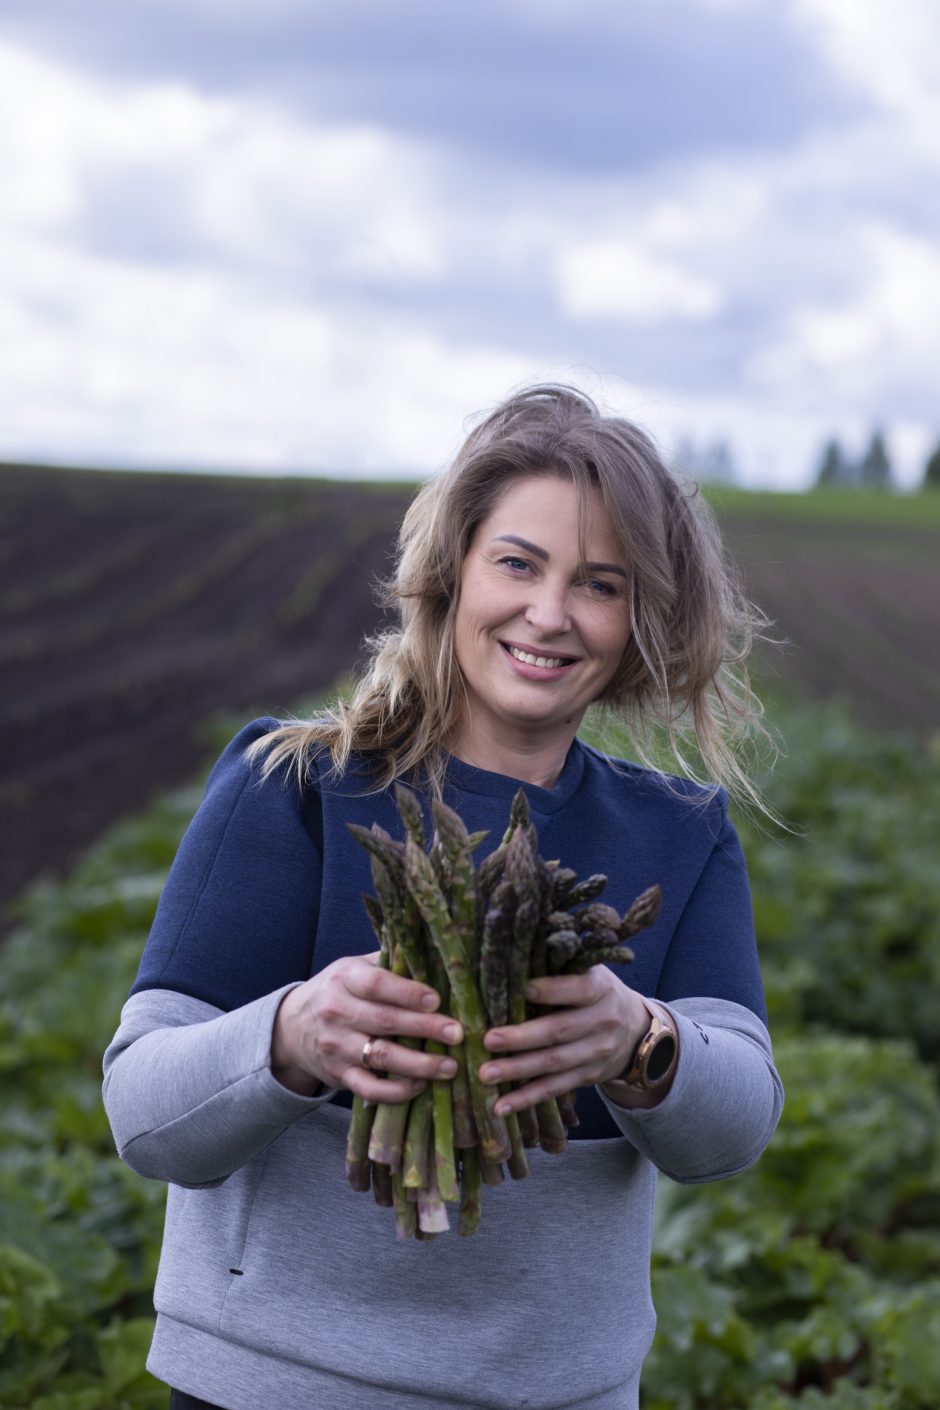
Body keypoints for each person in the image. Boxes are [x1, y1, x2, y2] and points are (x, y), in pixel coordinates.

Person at [103, 384, 783, 1410]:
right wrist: (292, 1034)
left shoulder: (677, 834)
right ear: (453, 568)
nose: (548, 614)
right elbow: (145, 1116)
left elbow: (732, 1134)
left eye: (600, 584)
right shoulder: (293, 787)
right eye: (517, 563)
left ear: (643, 616)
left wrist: (638, 1044)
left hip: (555, 1393)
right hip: (267, 1385)